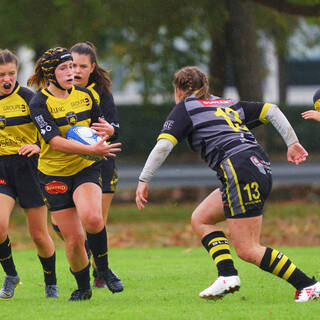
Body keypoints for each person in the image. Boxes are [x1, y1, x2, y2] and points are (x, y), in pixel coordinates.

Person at [135, 66, 320, 302]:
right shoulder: (227, 103)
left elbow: (163, 146)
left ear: (179, 90)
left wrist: (143, 179)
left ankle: (308, 285)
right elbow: (271, 110)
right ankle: (226, 275)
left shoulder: (186, 107)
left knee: (248, 248)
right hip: (258, 164)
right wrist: (291, 143)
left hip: (238, 168)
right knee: (201, 218)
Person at [27, 47, 122, 301]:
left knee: (92, 218)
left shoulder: (86, 96)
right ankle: (83, 287)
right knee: (74, 238)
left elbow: (100, 127)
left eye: (72, 67)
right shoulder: (39, 103)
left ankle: (102, 269)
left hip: (84, 168)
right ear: (51, 74)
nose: (71, 73)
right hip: (54, 175)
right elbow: (55, 141)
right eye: (64, 69)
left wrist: (107, 133)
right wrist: (90, 147)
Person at [0, 49, 58, 300]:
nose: (7, 79)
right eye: (1, 74)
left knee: (38, 234)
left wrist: (36, 146)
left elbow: (50, 132)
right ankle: (11, 275)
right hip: (2, 168)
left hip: (29, 168)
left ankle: (51, 283)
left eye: (11, 73)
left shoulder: (28, 98)